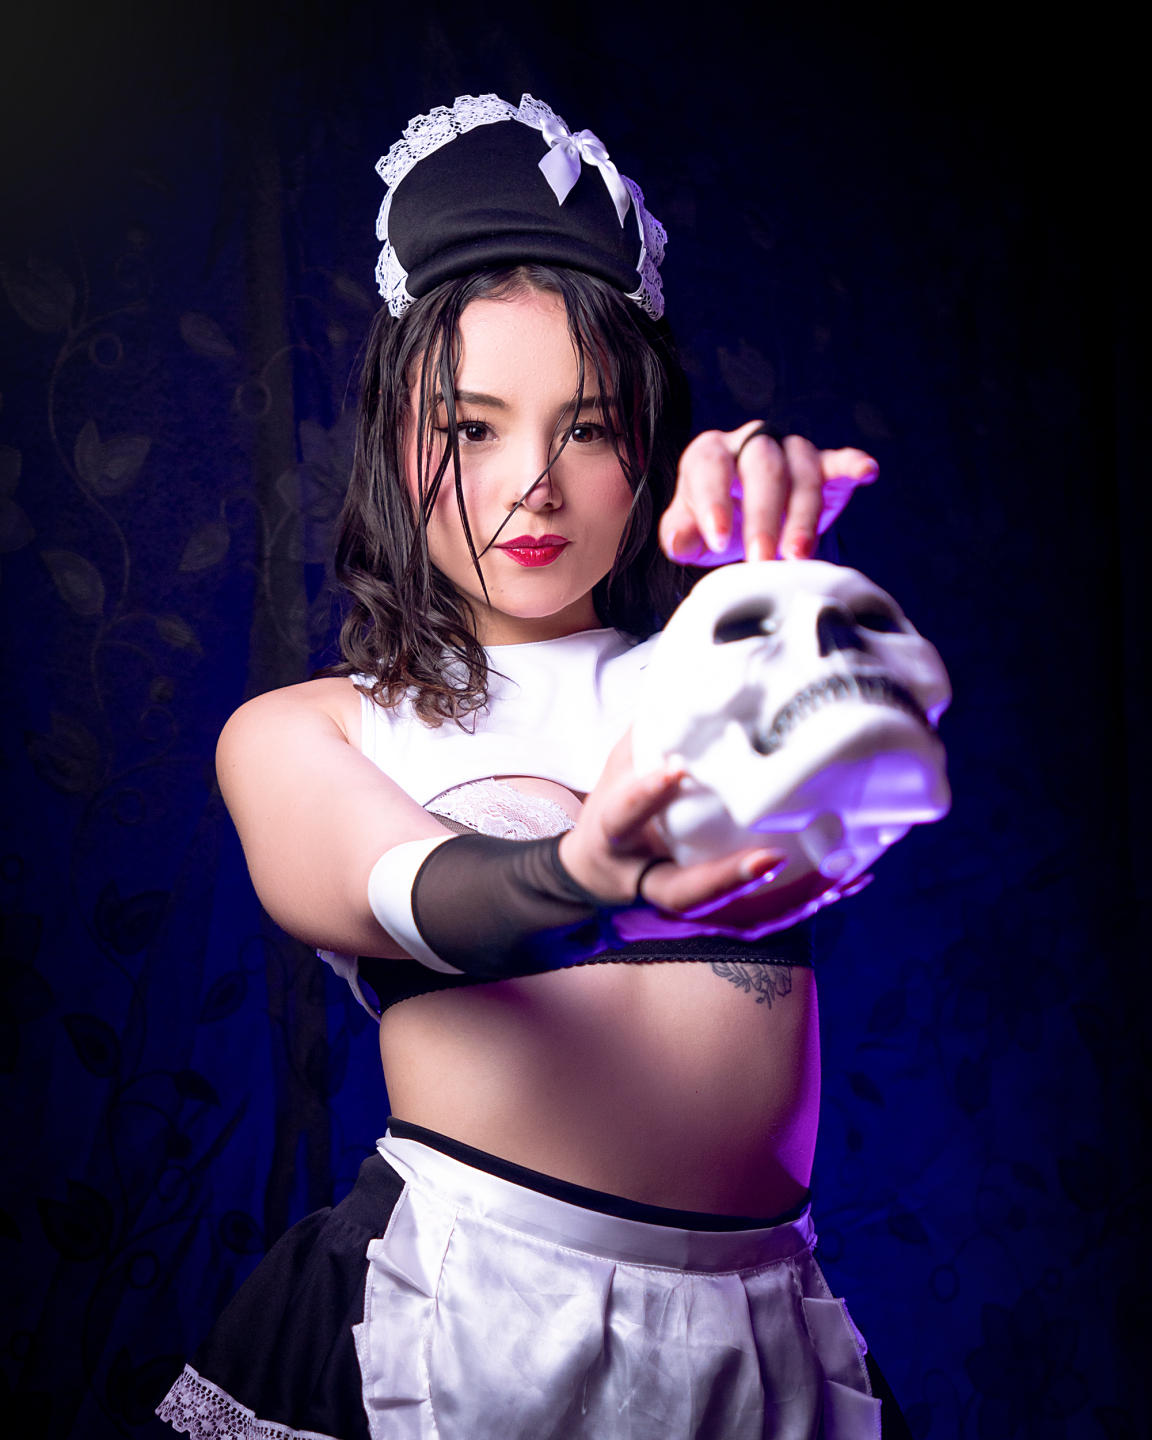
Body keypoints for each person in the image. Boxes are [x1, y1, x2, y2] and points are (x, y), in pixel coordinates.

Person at [156, 92, 903, 1440]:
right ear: (396, 443)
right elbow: (412, 892)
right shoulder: (312, 729)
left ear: (645, 451)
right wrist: (585, 869)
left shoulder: (705, 673)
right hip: (464, 1323)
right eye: (471, 428)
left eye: (589, 426)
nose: (534, 486)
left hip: (764, 1340)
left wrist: (782, 576)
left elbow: (863, 775)